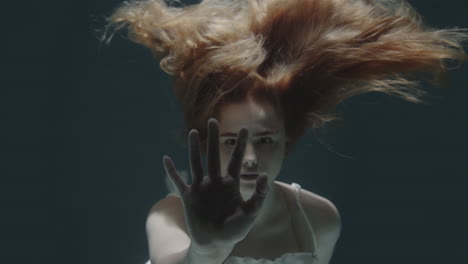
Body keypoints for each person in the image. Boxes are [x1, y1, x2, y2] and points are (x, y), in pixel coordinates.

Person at [101, 0, 467, 263]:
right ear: (206, 142)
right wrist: (207, 251)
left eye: (264, 140)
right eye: (231, 140)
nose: (249, 157)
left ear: (287, 141)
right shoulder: (169, 216)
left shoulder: (319, 219)